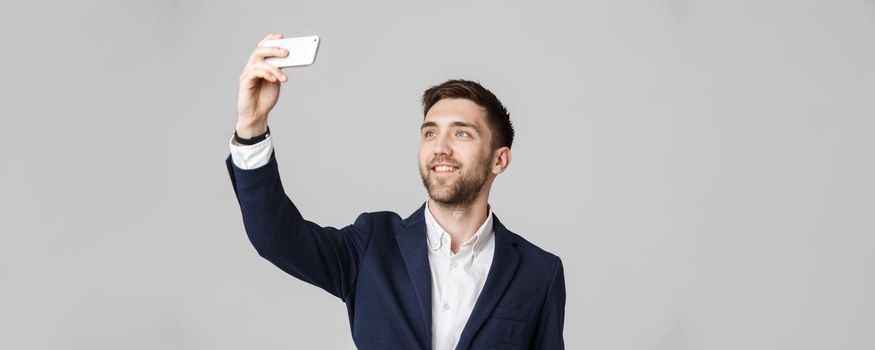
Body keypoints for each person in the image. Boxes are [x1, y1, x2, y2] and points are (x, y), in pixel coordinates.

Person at [226, 33, 566, 350]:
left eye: (461, 134)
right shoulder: (373, 243)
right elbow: (275, 237)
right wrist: (251, 126)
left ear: (499, 160)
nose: (440, 148)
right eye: (431, 133)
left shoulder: (540, 272)